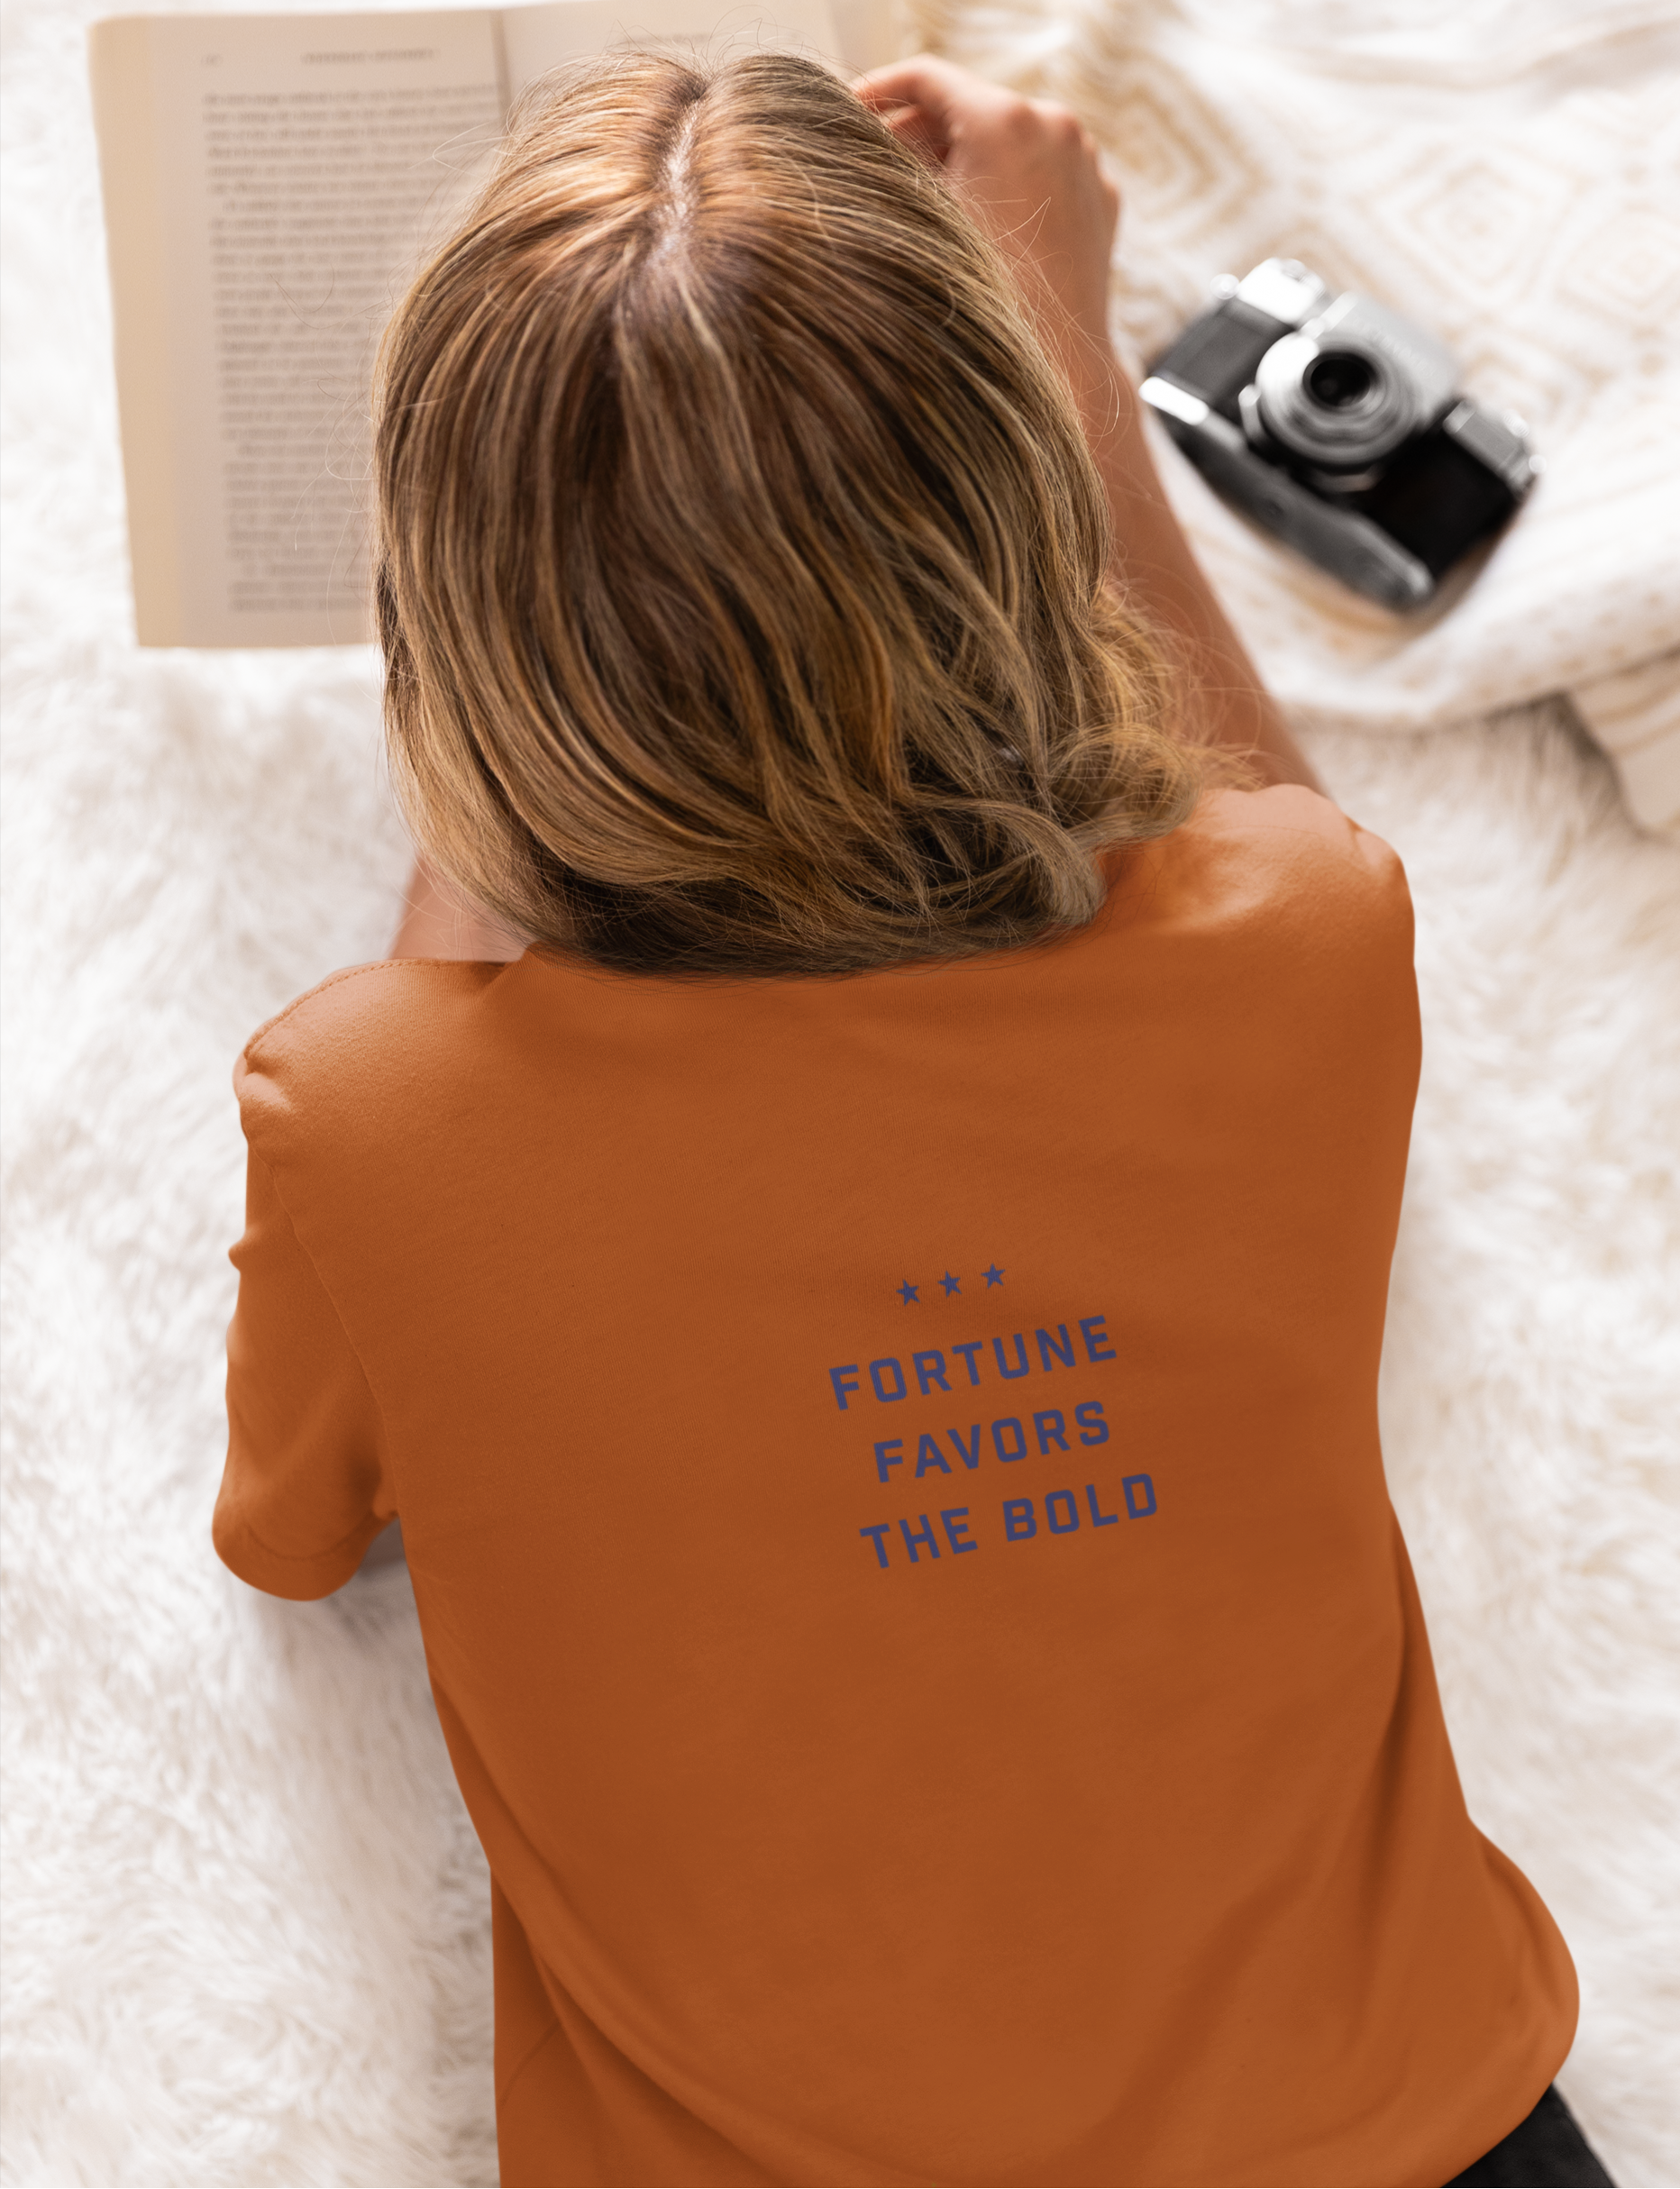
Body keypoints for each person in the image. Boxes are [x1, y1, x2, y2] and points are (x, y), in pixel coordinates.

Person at [213, 50, 1613, 2189]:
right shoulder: (1305, 944)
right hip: (1409, 2137)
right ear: (1023, 515)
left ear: (448, 646)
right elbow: (1246, 825)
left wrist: (517, 785)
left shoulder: (371, 1108)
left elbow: (299, 1529)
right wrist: (1052, 304)